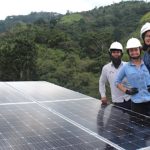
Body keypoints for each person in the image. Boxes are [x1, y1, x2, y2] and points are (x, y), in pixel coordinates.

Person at [115, 37, 150, 116]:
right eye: (131, 50)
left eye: (136, 50)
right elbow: (117, 82)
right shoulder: (126, 67)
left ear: (140, 50)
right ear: (128, 52)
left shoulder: (147, 63)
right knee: (138, 127)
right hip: (137, 103)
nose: (134, 52)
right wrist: (127, 91)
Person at [99, 41, 131, 109]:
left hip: (130, 99)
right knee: (117, 119)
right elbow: (101, 82)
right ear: (110, 54)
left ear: (121, 54)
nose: (116, 54)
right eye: (113, 52)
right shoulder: (106, 68)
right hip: (117, 102)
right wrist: (103, 96)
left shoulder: (128, 65)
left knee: (133, 119)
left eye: (118, 52)